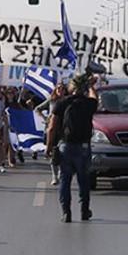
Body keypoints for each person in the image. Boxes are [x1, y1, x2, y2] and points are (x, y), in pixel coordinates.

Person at [47, 73, 98, 223]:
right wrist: (90, 86)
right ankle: (84, 211)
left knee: (65, 180)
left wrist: (49, 147)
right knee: (83, 180)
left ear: (71, 88)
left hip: (66, 146)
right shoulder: (89, 103)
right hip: (83, 146)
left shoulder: (62, 103)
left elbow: (51, 127)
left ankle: (66, 213)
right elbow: (95, 98)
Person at [37, 84, 70, 185]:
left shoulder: (68, 101)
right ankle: (54, 176)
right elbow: (38, 108)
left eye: (62, 89)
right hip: (52, 129)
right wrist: (46, 118)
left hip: (64, 129)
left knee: (64, 153)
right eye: (58, 88)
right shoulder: (51, 101)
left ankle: (61, 172)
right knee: (53, 153)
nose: (60, 90)